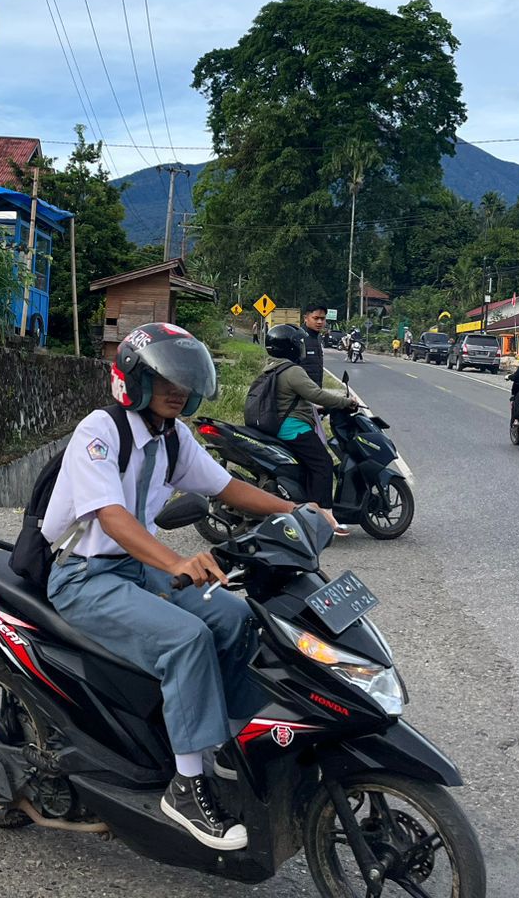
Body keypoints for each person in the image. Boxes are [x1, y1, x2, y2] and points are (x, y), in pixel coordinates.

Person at [41, 322, 329, 851]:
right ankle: (186, 787)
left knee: (236, 617)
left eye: (184, 382)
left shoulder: (172, 437)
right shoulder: (100, 432)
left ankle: (223, 742)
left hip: (135, 567)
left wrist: (296, 510)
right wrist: (176, 559)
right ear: (135, 379)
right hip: (83, 575)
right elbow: (110, 517)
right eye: (165, 380)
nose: (178, 391)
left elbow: (226, 486)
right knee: (186, 638)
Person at [261, 324, 357, 532]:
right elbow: (316, 394)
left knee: (310, 465)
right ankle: (325, 518)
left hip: (278, 425)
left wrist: (317, 409)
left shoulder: (272, 367)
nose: (301, 347)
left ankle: (306, 508)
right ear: (291, 347)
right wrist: (345, 402)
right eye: (299, 343)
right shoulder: (292, 370)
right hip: (292, 428)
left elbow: (290, 399)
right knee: (323, 463)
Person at [299, 301, 328, 387]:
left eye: (322, 318)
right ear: (305, 318)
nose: (319, 322)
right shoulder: (298, 338)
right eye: (316, 318)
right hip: (301, 391)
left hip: (315, 391)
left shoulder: (318, 337)